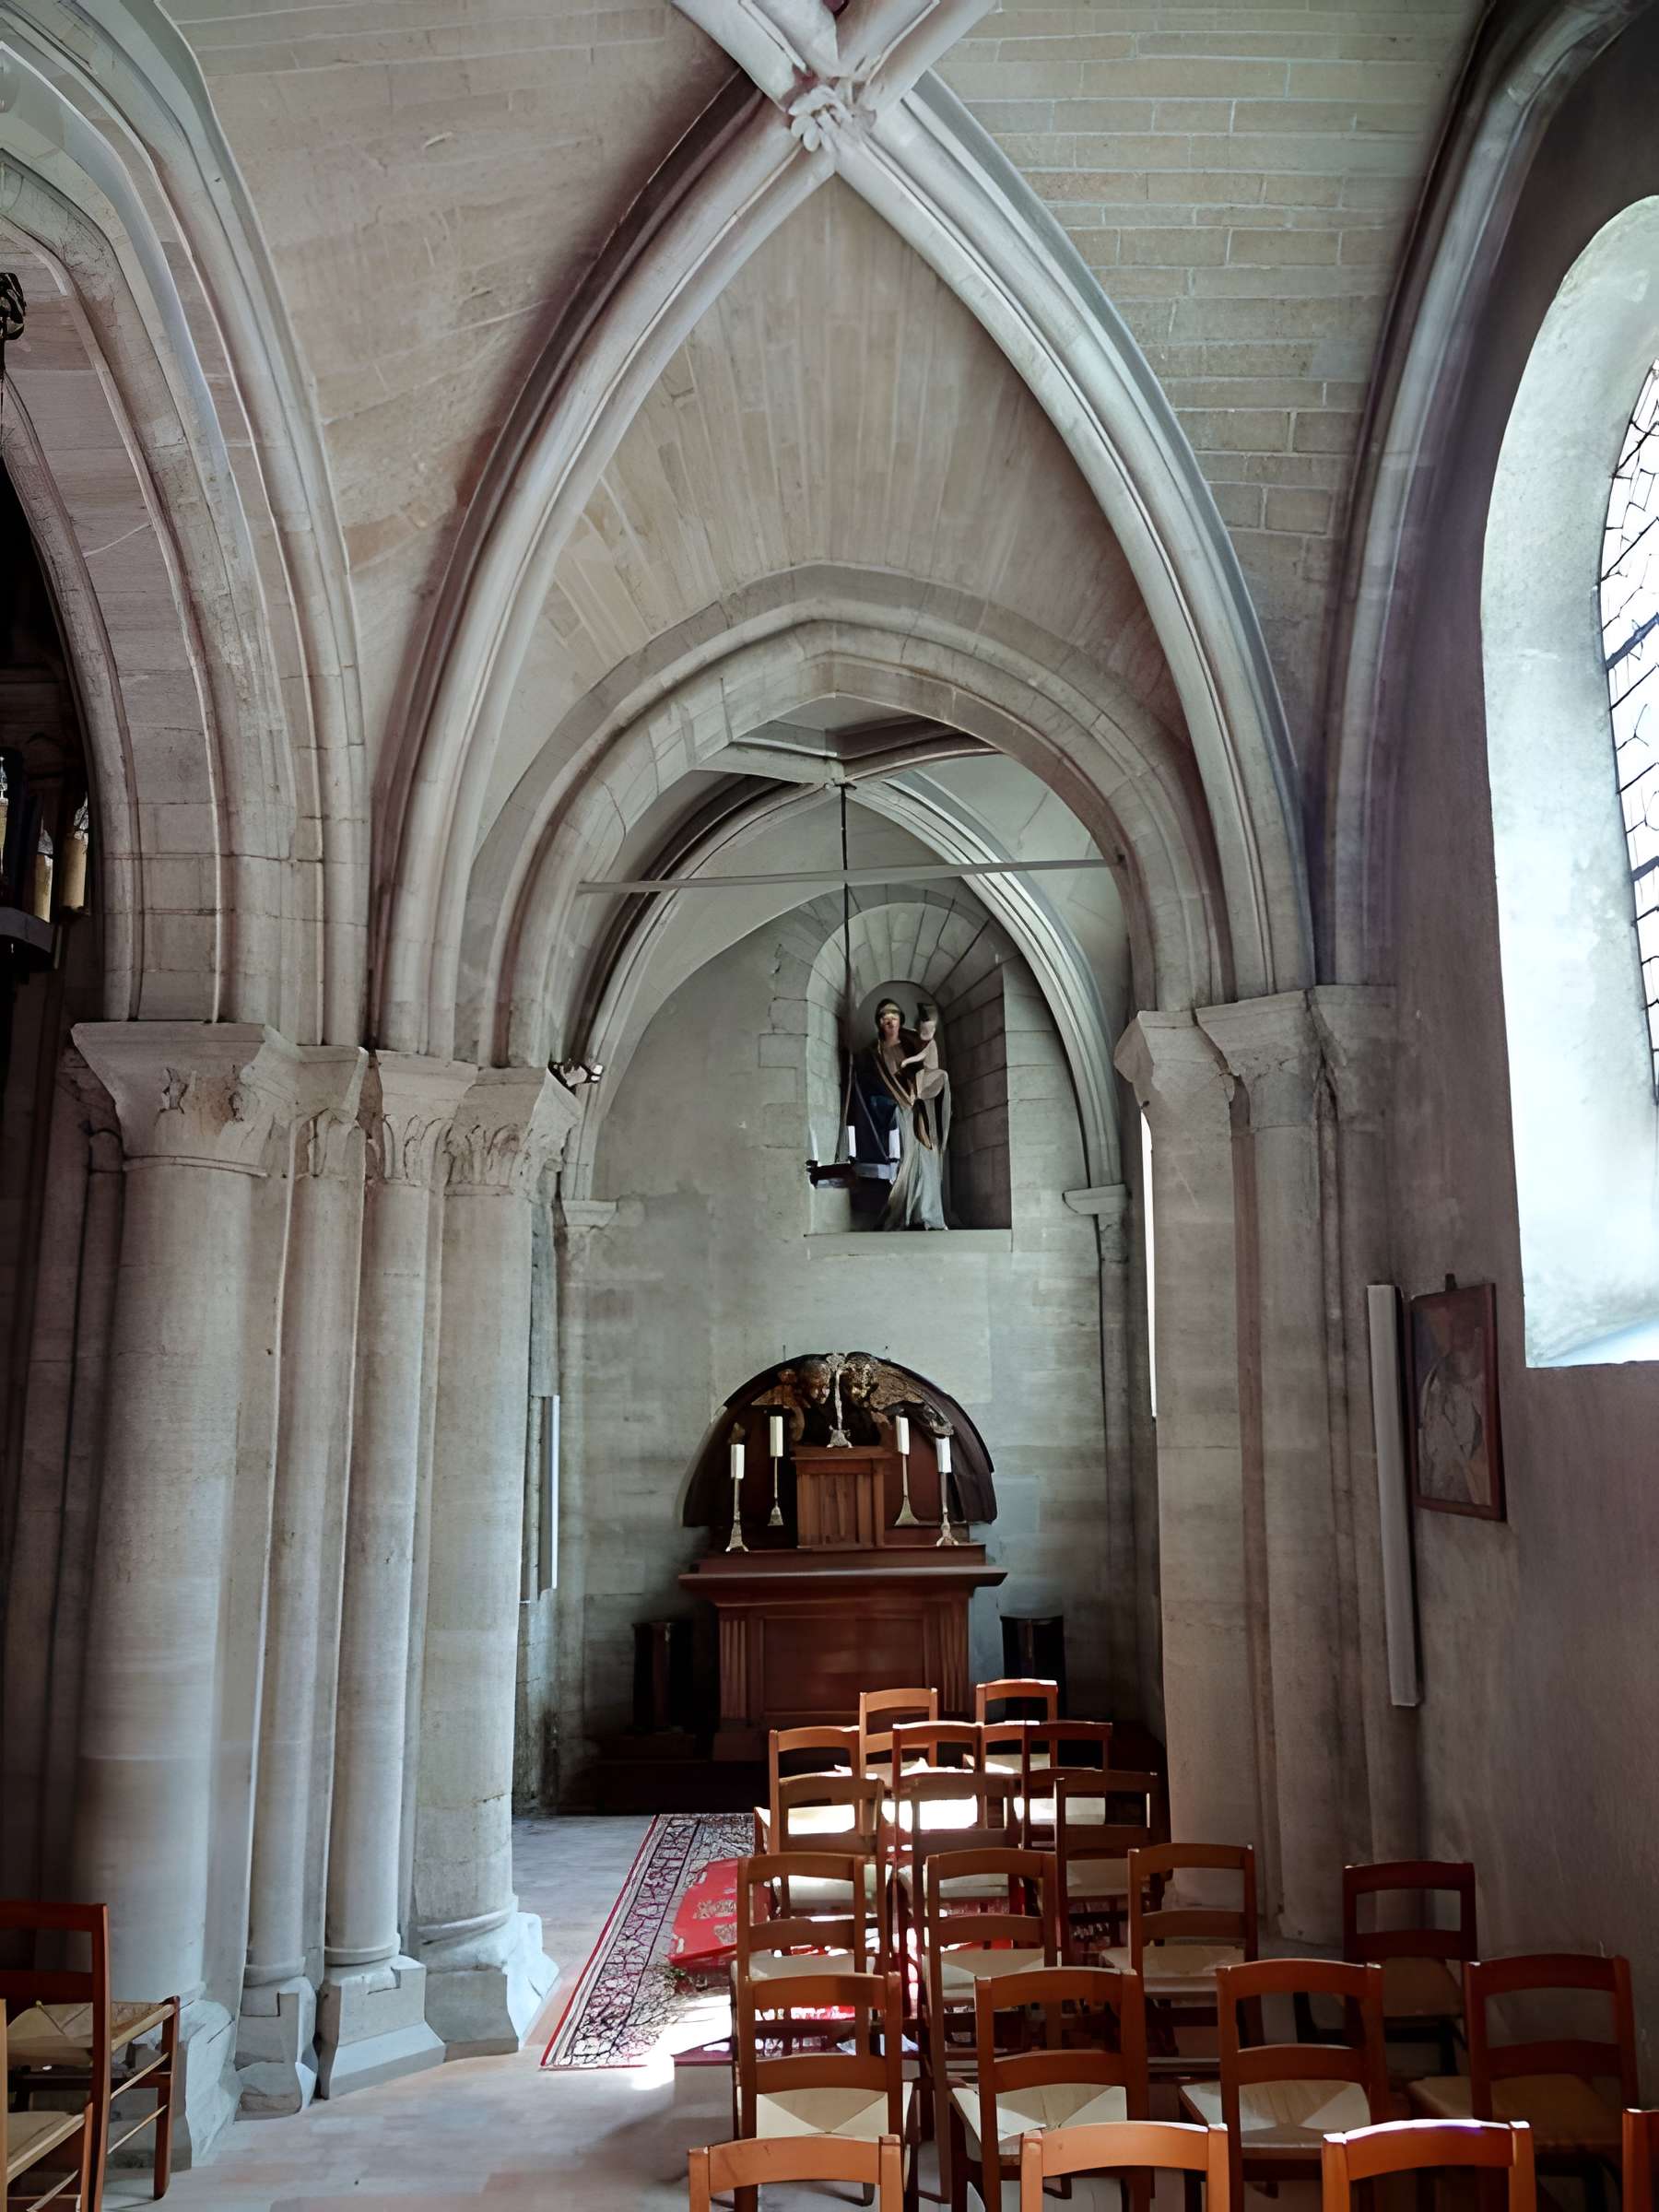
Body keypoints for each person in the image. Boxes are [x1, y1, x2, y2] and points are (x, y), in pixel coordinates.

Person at [857, 997, 950, 1230]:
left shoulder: (913, 1044)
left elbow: (928, 1069)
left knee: (926, 1160)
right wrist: (890, 1105)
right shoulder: (873, 1054)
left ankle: (925, 1215)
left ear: (901, 1021)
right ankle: (905, 1215)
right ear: (879, 1023)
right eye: (885, 1019)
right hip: (893, 1115)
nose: (890, 1023)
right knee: (904, 1160)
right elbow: (868, 1089)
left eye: (894, 1018)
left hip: (918, 1113)